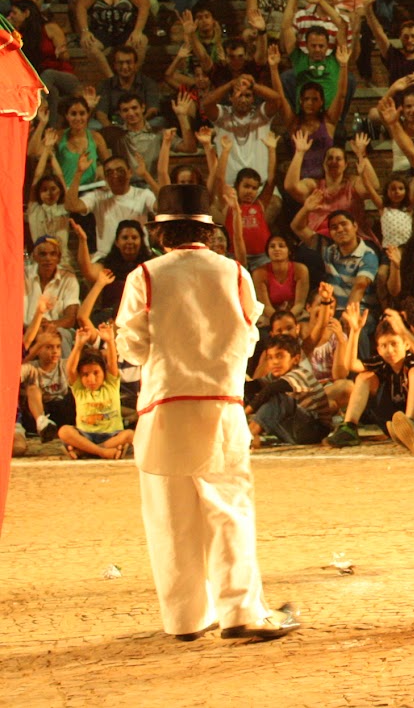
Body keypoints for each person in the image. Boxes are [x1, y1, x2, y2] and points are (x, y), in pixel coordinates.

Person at [113, 184, 300, 642]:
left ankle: (185, 619)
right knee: (228, 509)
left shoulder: (145, 276)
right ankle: (240, 612)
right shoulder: (234, 272)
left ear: (161, 234)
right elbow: (250, 335)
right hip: (220, 405)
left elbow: (132, 347)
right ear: (206, 231)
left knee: (170, 516)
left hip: (164, 406)